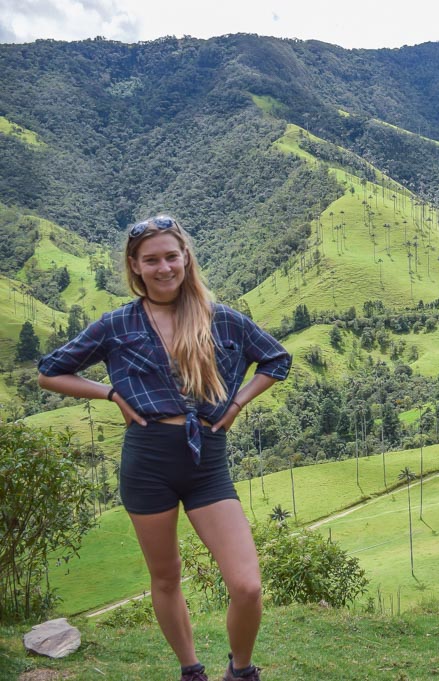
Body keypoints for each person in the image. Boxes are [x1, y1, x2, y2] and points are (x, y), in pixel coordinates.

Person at [38, 215, 291, 681]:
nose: (163, 267)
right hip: (147, 460)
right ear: (135, 266)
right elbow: (51, 370)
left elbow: (276, 358)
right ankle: (191, 670)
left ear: (185, 257)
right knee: (166, 577)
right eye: (150, 260)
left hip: (207, 463)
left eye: (171, 256)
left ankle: (240, 671)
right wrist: (110, 393)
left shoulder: (221, 318)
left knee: (247, 585)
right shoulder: (118, 324)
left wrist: (237, 402)